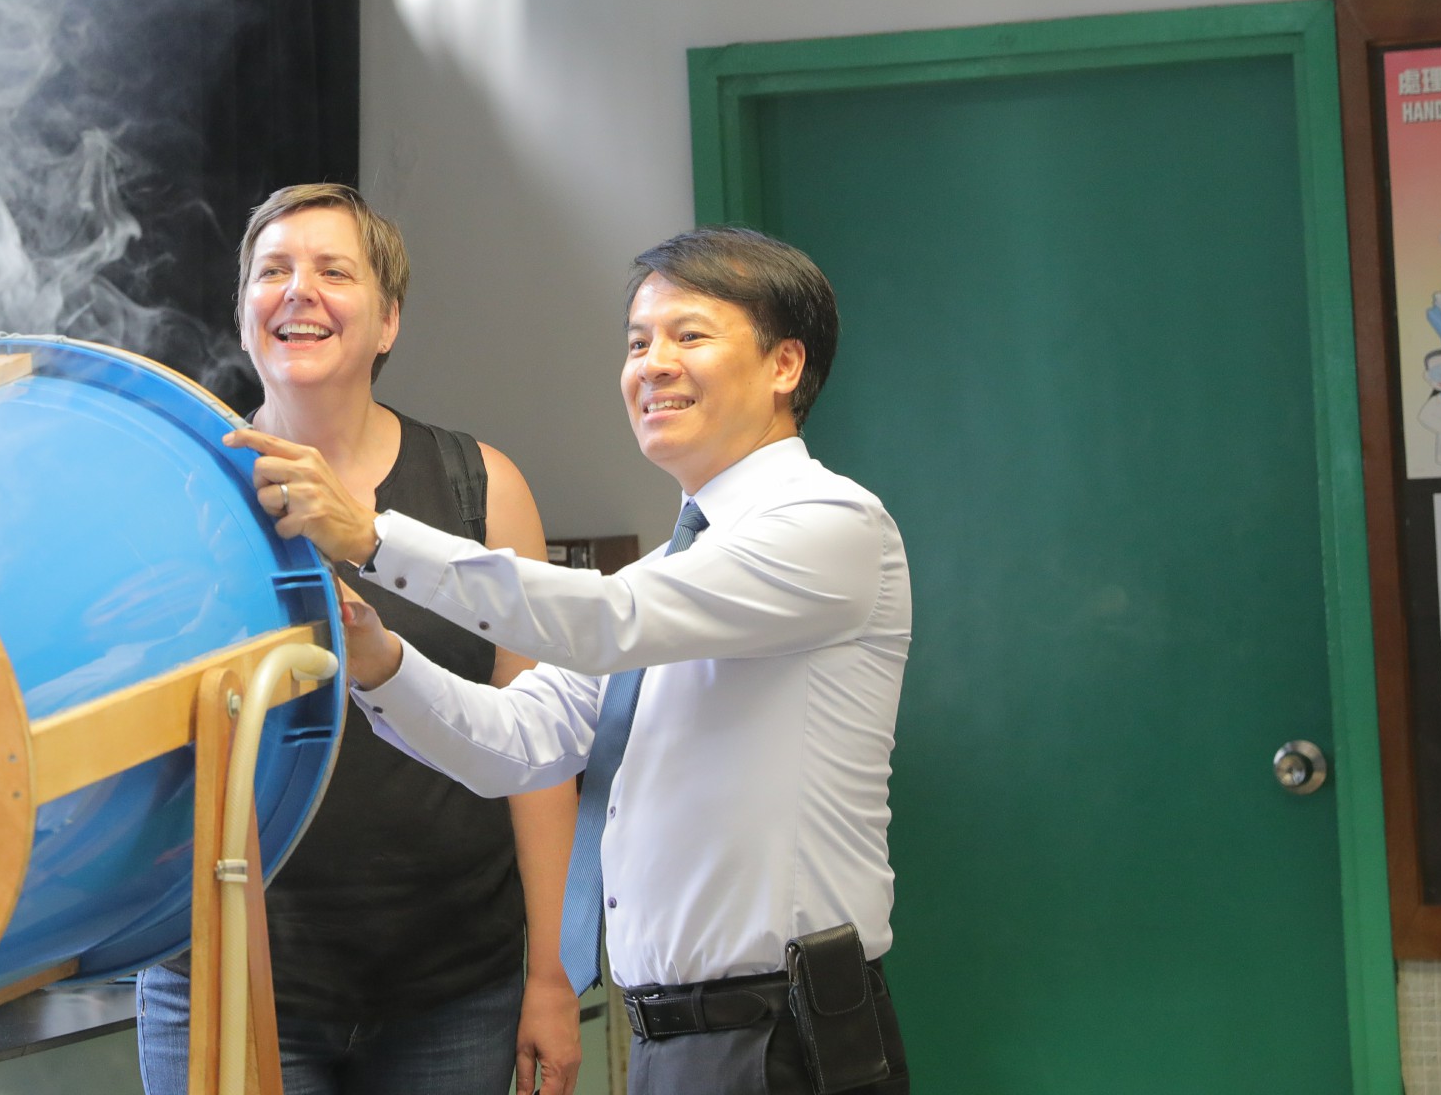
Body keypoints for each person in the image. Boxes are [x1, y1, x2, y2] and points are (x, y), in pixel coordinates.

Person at [226, 226, 912, 1095]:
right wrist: (379, 660)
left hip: (786, 1037)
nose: (653, 365)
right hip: (677, 1037)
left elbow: (606, 620)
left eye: (689, 335)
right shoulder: (679, 566)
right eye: (637, 342)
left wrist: (370, 537)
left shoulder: (829, 526)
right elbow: (515, 742)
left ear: (785, 365)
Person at [137, 183, 583, 1095]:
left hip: (453, 986)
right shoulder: (177, 489)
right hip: (225, 973)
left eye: (334, 272)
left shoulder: (481, 488)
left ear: (388, 322)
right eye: (273, 271)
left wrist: (550, 971)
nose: (299, 290)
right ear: (244, 314)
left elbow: (540, 753)